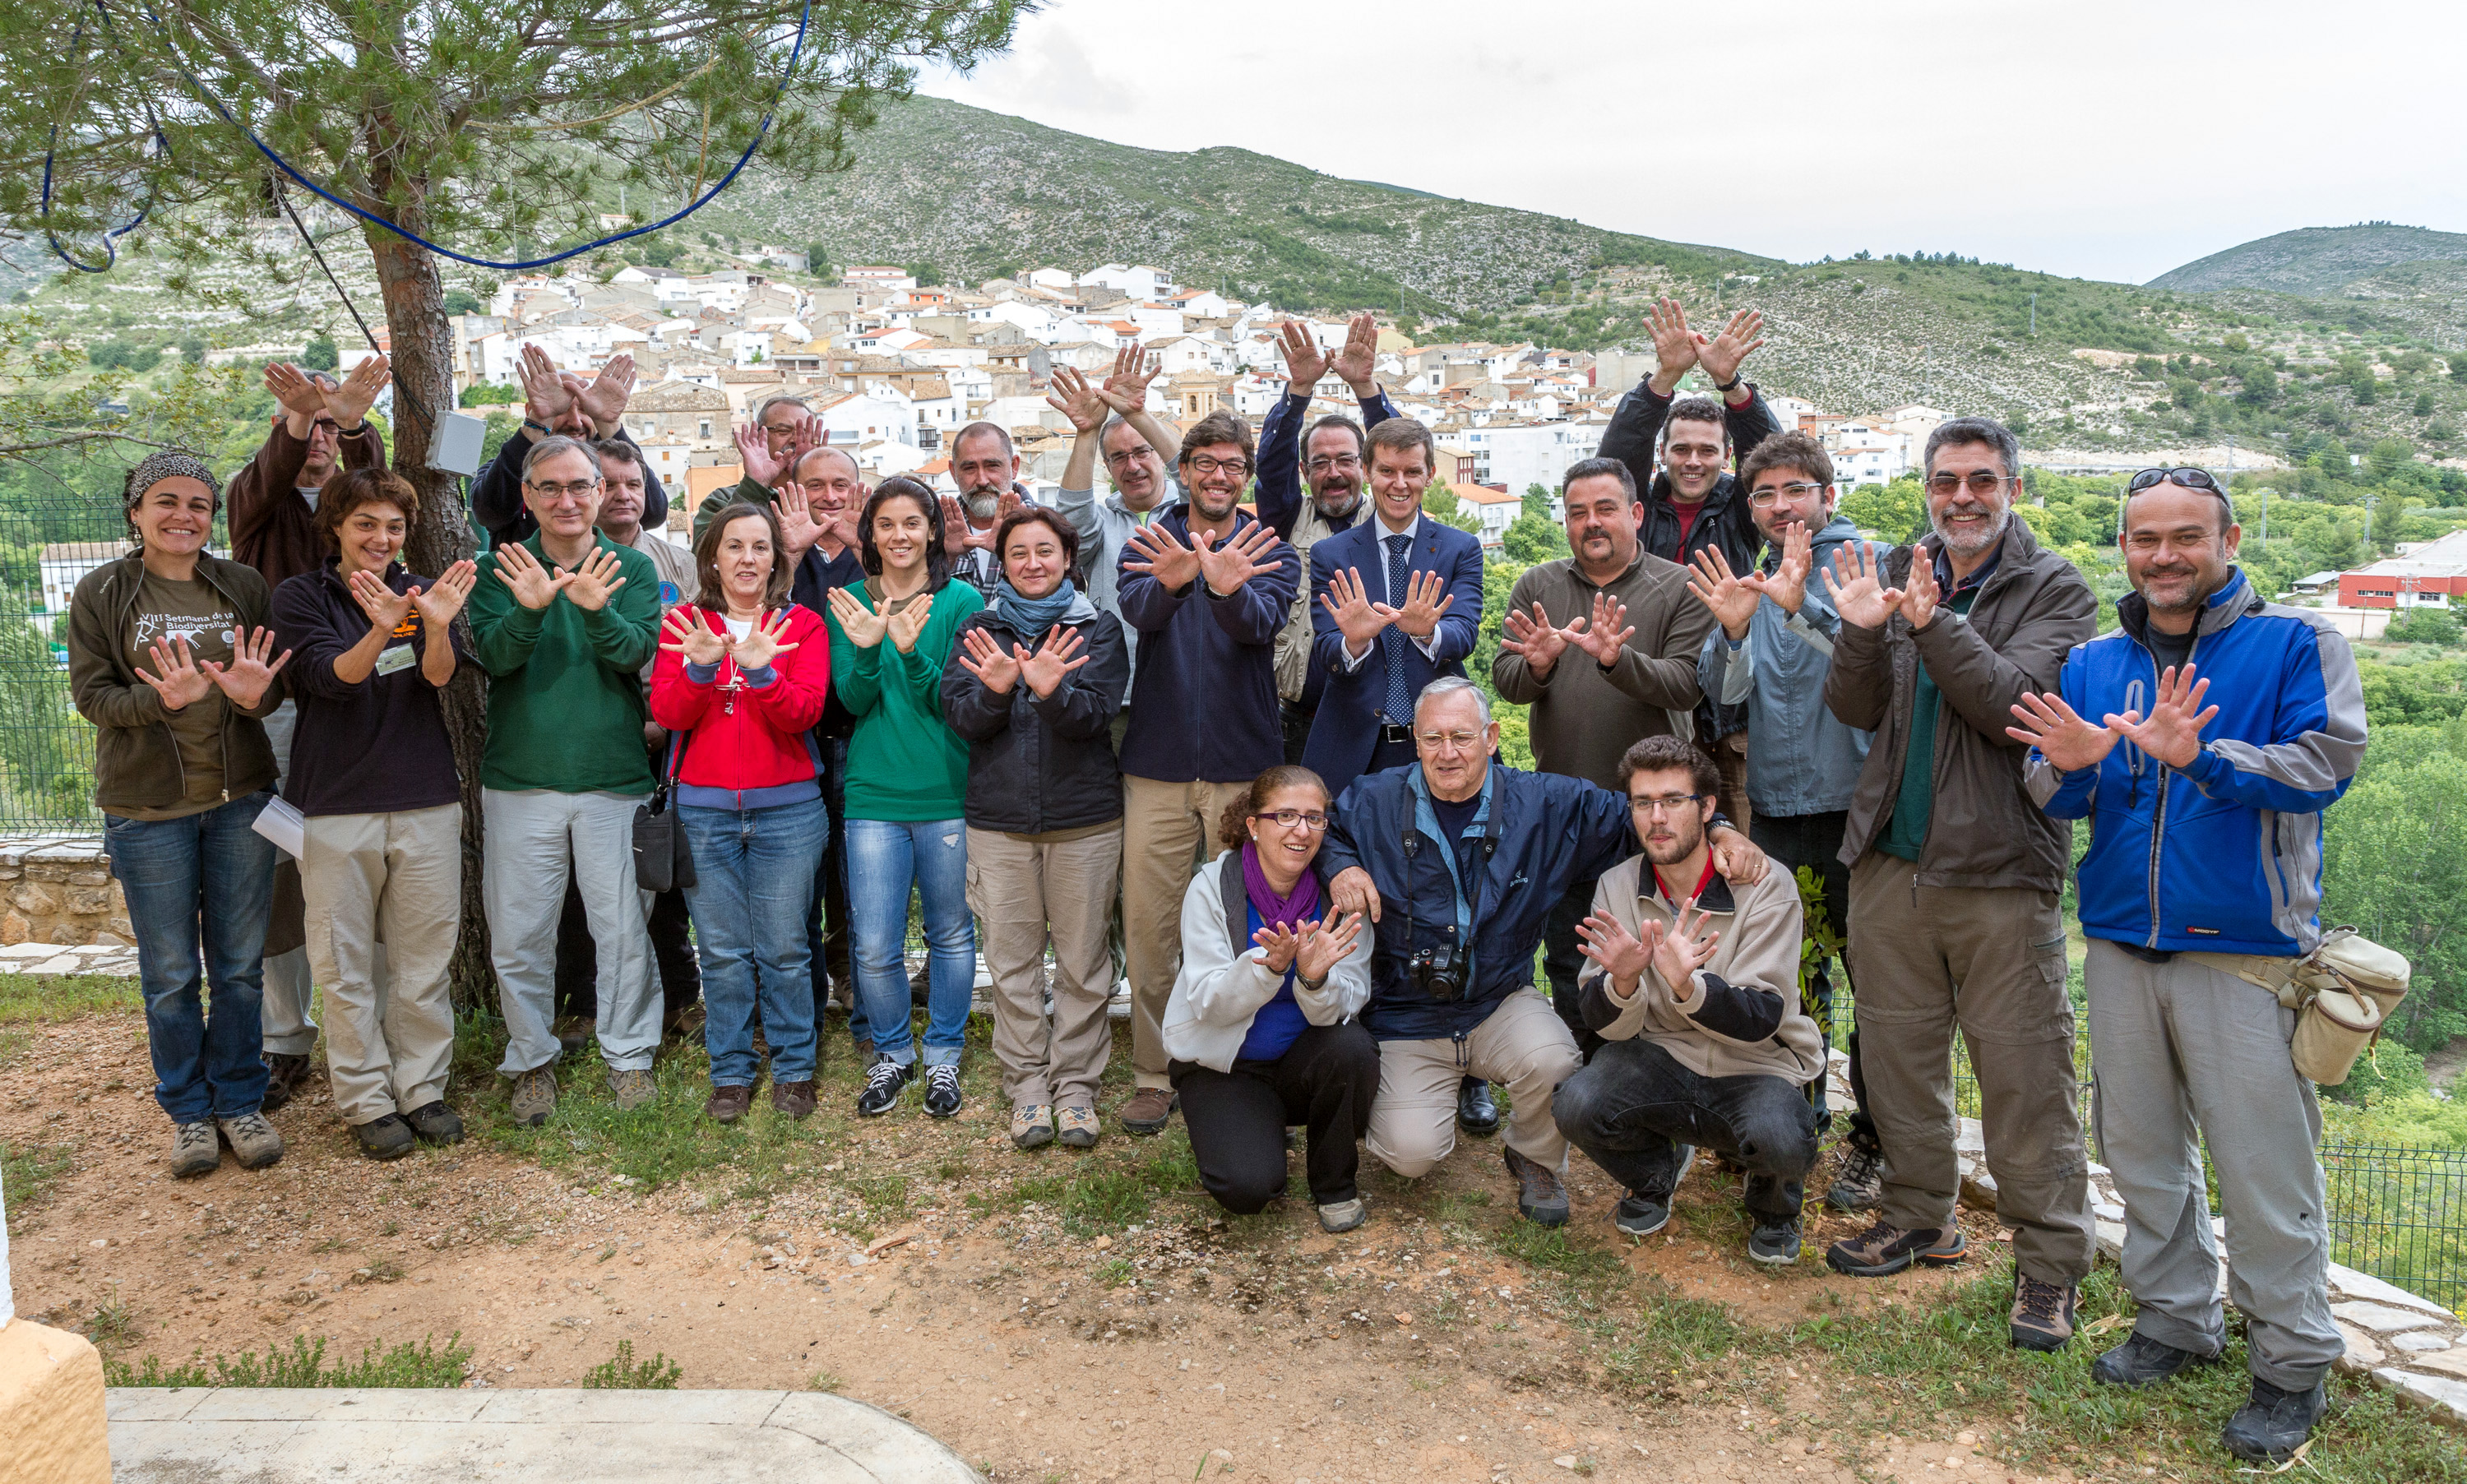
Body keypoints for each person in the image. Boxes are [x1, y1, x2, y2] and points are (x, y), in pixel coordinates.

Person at [2009, 468, 2364, 1462]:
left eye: (2185, 536)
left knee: (2262, 1167)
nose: (2164, 555)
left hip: (2247, 955)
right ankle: (2175, 1318)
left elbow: (2324, 766)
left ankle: (2291, 1360)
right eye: (2144, 538)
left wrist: (2201, 756)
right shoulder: (2094, 659)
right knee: (2144, 1152)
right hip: (2123, 943)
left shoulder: (2298, 644)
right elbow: (2055, 791)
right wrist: (2079, 765)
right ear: (2123, 546)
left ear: (2228, 537)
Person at [1817, 417, 2098, 1355]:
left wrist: (1932, 621)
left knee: (2026, 1075)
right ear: (1926, 488)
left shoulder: (2054, 585)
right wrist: (1862, 633)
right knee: (1897, 1060)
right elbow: (1855, 707)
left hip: (2000, 871)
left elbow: (2018, 706)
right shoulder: (1901, 562)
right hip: (1890, 861)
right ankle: (1919, 1212)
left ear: (2013, 485)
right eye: (1947, 481)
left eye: (1982, 479)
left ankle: (2051, 1264)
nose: (1963, 497)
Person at [1318, 678, 1766, 1225]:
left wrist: (1718, 827)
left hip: (1499, 998)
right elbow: (1325, 829)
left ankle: (1532, 1154)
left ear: (1491, 736)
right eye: (1432, 738)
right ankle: (1425, 1102)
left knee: (1556, 1058)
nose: (1448, 752)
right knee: (1409, 1154)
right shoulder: (1372, 799)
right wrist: (1342, 865)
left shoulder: (1545, 803)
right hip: (1406, 1011)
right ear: (1414, 740)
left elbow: (1639, 814)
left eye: (1462, 736)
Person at [68, 451, 294, 1177]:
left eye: (198, 504)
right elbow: (93, 698)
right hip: (148, 807)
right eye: (165, 501)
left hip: (238, 801)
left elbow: (267, 693)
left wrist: (256, 694)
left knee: (238, 968)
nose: (183, 516)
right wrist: (160, 700)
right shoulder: (102, 592)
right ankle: (189, 1113)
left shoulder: (242, 585)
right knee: (169, 973)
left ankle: (239, 1100)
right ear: (135, 512)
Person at [1681, 433, 1883, 1207]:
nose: (1779, 506)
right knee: (1792, 977)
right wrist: (1734, 630)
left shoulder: (1867, 564)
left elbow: (1875, 668)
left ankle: (1879, 1136)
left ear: (1827, 496)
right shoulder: (1754, 581)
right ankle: (1797, 1114)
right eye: (1763, 494)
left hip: (1858, 808)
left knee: (1878, 981)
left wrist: (1802, 611)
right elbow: (1724, 701)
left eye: (1794, 490)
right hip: (1777, 808)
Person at [267, 467, 474, 1159]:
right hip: (335, 808)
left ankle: (422, 1088)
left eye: (393, 526)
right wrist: (381, 630)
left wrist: (432, 627)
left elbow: (438, 676)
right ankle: (365, 1099)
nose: (380, 538)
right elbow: (331, 679)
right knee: (344, 964)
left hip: (425, 799)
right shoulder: (300, 596)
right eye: (366, 525)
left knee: (422, 961)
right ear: (335, 528)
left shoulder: (425, 594)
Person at [1553, 736, 1821, 1262]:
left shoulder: (1767, 887)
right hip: (1663, 1059)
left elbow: (1763, 1016)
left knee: (1782, 1138)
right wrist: (1623, 983)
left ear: (1707, 809)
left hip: (1757, 1065)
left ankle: (1774, 1206)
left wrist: (1687, 987)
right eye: (1643, 803)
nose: (1657, 818)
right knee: (1577, 1103)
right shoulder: (1615, 885)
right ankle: (1656, 1175)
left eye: (1674, 801)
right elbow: (1602, 1025)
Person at [469, 435, 664, 1125]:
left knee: (622, 929)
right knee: (520, 934)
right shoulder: (497, 568)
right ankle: (530, 1060)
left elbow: (637, 652)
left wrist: (594, 606)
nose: (567, 500)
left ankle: (630, 1055)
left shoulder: (632, 569)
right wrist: (528, 608)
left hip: (614, 778)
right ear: (527, 497)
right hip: (522, 780)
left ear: (600, 492)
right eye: (549, 488)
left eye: (580, 486)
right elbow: (492, 658)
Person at [1113, 410, 1299, 1136]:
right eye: (1207, 463)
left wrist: (1223, 586)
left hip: (1241, 769)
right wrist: (1171, 582)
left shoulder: (1266, 546)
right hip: (1157, 766)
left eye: (1234, 466)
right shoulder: (1150, 537)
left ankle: (1241, 1060)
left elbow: (1263, 624)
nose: (1220, 476)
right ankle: (1155, 1072)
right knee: (1152, 926)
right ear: (1184, 469)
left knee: (1243, 923)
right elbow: (1138, 609)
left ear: (1244, 477)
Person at [1493, 457, 1712, 1052]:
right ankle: (1586, 1067)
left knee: (1659, 944)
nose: (1592, 523)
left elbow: (1686, 684)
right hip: (1565, 805)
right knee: (1572, 946)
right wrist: (1538, 664)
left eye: (1606, 508)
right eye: (1577, 512)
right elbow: (1506, 681)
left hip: (1654, 811)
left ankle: (1663, 1068)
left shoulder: (1680, 586)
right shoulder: (1540, 584)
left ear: (1636, 514)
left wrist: (1616, 660)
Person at [229, 355, 391, 1112]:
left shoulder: (361, 517)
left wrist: (356, 421)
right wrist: (302, 419)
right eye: (309, 426)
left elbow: (378, 483)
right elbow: (266, 479)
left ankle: (376, 1030)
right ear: (283, 432)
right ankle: (284, 1038)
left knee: (371, 862)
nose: (322, 438)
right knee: (281, 872)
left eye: (334, 428)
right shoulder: (253, 502)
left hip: (363, 704)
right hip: (288, 711)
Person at [942, 507, 1132, 1150]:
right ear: (1002, 562)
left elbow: (1097, 713)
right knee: (1013, 961)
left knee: (1083, 960)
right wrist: (997, 691)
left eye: (1044, 550)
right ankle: (1027, 1086)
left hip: (1084, 820)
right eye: (1017, 551)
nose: (1031, 562)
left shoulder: (1096, 627)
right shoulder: (979, 629)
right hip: (999, 823)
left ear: (1067, 557)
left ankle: (1076, 1086)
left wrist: (1052, 692)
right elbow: (961, 715)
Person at [650, 503, 832, 1123]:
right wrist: (702, 665)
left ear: (776, 561)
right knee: (724, 952)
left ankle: (794, 1068)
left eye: (761, 547)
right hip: (705, 813)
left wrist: (760, 672)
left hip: (787, 812)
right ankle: (729, 1071)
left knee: (784, 948)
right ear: (713, 557)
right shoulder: (684, 622)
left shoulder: (801, 624)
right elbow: (670, 714)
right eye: (735, 547)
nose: (748, 559)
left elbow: (805, 712)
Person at [825, 477, 987, 1118]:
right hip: (872, 795)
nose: (899, 535)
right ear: (870, 534)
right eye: (886, 524)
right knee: (873, 940)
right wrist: (868, 650)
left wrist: (911, 650)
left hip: (945, 790)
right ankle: (892, 1052)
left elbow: (952, 699)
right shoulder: (851, 604)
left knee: (950, 929)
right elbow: (853, 700)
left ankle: (944, 1053)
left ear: (931, 532)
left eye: (912, 523)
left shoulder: (961, 600)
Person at [1164, 767, 1376, 1232]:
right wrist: (1271, 969)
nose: (1301, 830)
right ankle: (1257, 1128)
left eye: (1314, 818)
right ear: (1254, 826)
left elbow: (1351, 1002)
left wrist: (1314, 980)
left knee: (1354, 1047)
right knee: (1248, 1190)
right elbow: (1208, 1004)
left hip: (1306, 1062)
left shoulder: (1338, 895)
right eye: (1285, 816)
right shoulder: (1213, 887)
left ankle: (1336, 1185)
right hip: (1226, 1064)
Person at [1597, 301, 1782, 825]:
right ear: (1663, 454)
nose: (1694, 461)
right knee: (1652, 832)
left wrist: (1733, 387)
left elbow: (1771, 456)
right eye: (1681, 449)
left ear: (1726, 456)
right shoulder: (1638, 509)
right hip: (1651, 690)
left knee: (1738, 837)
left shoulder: (1744, 510)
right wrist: (1665, 378)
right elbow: (1614, 458)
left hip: (1729, 709)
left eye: (1707, 450)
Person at [552, 438, 703, 1047]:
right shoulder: (569, 560)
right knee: (579, 886)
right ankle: (581, 1004)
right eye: (608, 483)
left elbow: (698, 643)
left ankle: (679, 996)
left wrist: (667, 723)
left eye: (633, 483)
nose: (622, 495)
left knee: (663, 877)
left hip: (670, 738)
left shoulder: (676, 562)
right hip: (595, 742)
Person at [1302, 416, 1484, 794]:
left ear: (1430, 474)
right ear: (1367, 472)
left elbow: (1464, 634)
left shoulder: (1460, 548)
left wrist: (1428, 631)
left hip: (1439, 744)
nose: (1399, 484)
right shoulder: (1330, 554)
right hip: (1352, 745)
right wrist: (1353, 642)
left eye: (1412, 472)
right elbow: (1326, 650)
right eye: (1387, 471)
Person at [1253, 314, 1393, 765]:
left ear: (1366, 468)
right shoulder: (1288, 516)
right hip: (1296, 722)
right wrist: (1297, 394)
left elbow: (1402, 449)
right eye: (1320, 462)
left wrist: (1367, 389)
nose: (1333, 473)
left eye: (1345, 460)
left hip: (1374, 717)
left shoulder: (1392, 517)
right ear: (1305, 472)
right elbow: (1270, 464)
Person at [1048, 343, 1185, 685]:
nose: (1133, 466)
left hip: (1186, 683)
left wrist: (1140, 415)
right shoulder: (1101, 522)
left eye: (1142, 452)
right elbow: (1071, 523)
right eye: (1119, 458)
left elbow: (1196, 479)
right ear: (1107, 467)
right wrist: (1086, 433)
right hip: (1114, 685)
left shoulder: (1189, 512)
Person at [470, 346, 669, 544]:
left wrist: (608, 423)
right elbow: (489, 513)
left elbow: (653, 514)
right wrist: (540, 419)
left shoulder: (609, 468)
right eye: (562, 410)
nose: (576, 422)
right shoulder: (506, 469)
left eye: (584, 409)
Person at [944, 422, 1030, 600]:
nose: (982, 480)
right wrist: (946, 558)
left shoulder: (1050, 527)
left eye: (992, 465)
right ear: (953, 472)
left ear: (1014, 466)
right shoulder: (932, 530)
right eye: (969, 468)